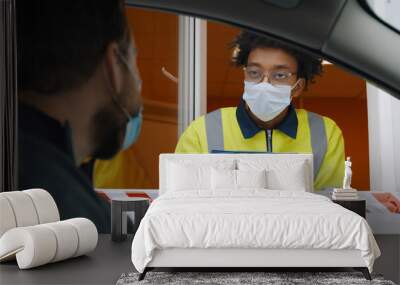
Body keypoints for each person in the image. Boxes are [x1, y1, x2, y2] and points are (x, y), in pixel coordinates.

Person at [17, 0, 142, 232]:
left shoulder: (23, 159)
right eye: (134, 59)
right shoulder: (73, 214)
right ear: (114, 63)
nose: (138, 81)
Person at [175, 31, 345, 190]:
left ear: (297, 87)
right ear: (245, 76)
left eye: (279, 75)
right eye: (255, 72)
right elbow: (183, 202)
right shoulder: (202, 130)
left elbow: (328, 205)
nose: (265, 84)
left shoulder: (324, 133)